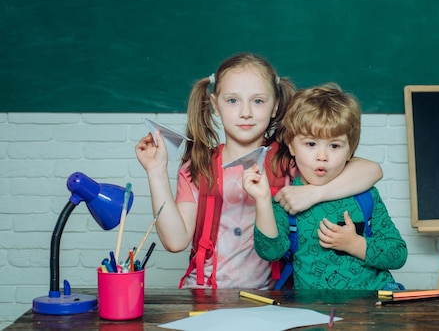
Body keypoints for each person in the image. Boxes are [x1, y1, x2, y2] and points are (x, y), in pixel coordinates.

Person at [135, 53, 383, 289]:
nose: (246, 112)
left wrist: (315, 193)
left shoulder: (291, 160)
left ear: (275, 106)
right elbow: (175, 241)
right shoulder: (199, 166)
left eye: (258, 101)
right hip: (204, 293)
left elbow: (372, 171)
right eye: (233, 100)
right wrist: (156, 171)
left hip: (270, 298)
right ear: (215, 105)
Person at [243, 83, 407, 290]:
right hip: (315, 309)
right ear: (292, 146)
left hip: (370, 308)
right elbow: (270, 252)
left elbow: (398, 254)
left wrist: (355, 244)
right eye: (310, 144)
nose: (322, 156)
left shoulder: (366, 196)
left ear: (350, 151)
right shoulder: (288, 200)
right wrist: (262, 200)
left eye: (335, 146)